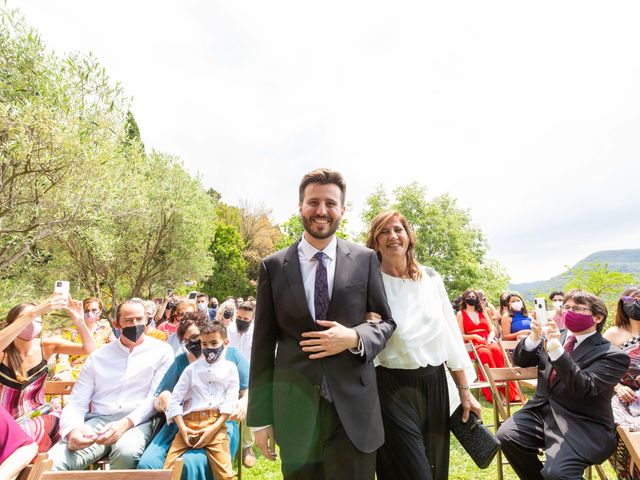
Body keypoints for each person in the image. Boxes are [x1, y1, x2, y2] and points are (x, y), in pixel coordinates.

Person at [248, 168, 395, 480]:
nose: (322, 211)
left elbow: (386, 322)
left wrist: (354, 336)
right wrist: (259, 419)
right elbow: (261, 347)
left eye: (331, 203)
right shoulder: (273, 267)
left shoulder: (365, 259)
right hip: (296, 412)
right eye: (313, 202)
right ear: (300, 206)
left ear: (342, 210)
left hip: (355, 413)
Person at [365, 210, 480, 480]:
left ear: (408, 236)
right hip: (391, 389)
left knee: (435, 469)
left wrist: (465, 391)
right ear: (375, 241)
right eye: (384, 231)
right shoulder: (368, 283)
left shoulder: (430, 279)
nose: (392, 236)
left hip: (434, 385)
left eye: (398, 229)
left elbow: (450, 337)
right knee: (413, 472)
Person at [496, 289, 630, 480]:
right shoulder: (555, 335)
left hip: (581, 422)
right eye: (566, 307)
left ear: (598, 317)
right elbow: (522, 360)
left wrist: (556, 350)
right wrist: (534, 338)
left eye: (577, 308)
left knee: (557, 474)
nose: (568, 311)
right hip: (541, 412)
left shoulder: (612, 354)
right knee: (506, 436)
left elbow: (585, 387)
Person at [47, 299, 174, 470]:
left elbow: (153, 397)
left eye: (139, 319)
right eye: (128, 321)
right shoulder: (98, 356)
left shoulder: (162, 352)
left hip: (138, 420)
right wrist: (73, 431)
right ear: (116, 324)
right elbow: (77, 401)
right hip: (98, 422)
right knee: (54, 462)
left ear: (147, 320)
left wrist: (126, 423)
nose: (135, 324)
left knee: (126, 453)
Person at [137, 313, 249, 480]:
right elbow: (162, 394)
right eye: (187, 340)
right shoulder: (183, 363)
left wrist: (244, 401)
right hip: (180, 422)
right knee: (148, 464)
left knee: (189, 464)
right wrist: (166, 401)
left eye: (196, 337)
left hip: (219, 421)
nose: (194, 344)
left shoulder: (231, 358)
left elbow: (249, 387)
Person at [1, 295, 96, 452]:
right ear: (13, 324)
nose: (32, 322)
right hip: (8, 424)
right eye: (26, 318)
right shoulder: (3, 351)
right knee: (29, 435)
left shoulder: (46, 346)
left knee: (52, 429)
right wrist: (33, 312)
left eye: (37, 317)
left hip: (40, 415)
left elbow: (90, 350)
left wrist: (79, 320)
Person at [163, 322, 239, 480]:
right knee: (168, 472)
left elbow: (230, 401)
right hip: (189, 423)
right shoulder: (191, 369)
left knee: (225, 475)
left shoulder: (230, 368)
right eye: (204, 344)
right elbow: (175, 399)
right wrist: (182, 428)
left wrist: (213, 429)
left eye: (214, 343)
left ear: (225, 342)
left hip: (216, 423)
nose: (209, 348)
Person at [457, 289, 519, 403]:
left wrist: (490, 338)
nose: (472, 298)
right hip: (473, 342)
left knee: (495, 349)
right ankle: (495, 391)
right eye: (469, 296)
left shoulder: (483, 312)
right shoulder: (461, 314)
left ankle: (506, 390)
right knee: (484, 353)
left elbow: (492, 330)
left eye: (474, 296)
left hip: (487, 339)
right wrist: (474, 337)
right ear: (465, 299)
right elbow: (461, 335)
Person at [603, 288, 640, 479]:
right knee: (625, 432)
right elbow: (600, 369)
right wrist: (617, 387)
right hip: (621, 396)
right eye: (635, 299)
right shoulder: (613, 334)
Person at [52, 297, 115, 381]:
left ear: (99, 312)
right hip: (75, 373)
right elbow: (62, 354)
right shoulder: (70, 332)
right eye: (86, 310)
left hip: (101, 371)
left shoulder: (106, 330)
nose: (89, 313)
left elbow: (115, 349)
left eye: (94, 310)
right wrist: (64, 371)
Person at [227, 301, 256, 467]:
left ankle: (247, 447)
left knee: (247, 404)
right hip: (228, 376)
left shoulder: (257, 332)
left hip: (249, 377)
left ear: (252, 319)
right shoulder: (227, 329)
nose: (242, 321)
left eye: (246, 318)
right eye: (239, 317)